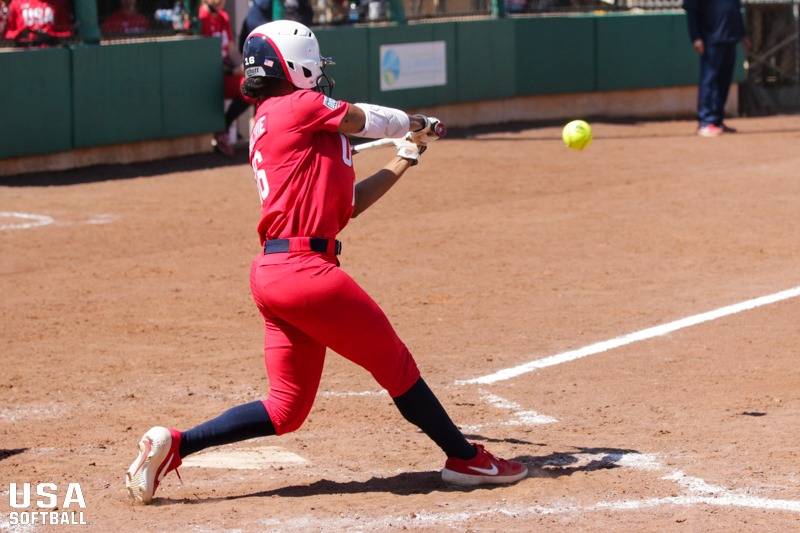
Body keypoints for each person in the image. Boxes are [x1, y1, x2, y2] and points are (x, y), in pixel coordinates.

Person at [126, 20, 528, 505]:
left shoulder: (284, 122)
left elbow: (345, 208)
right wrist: (414, 121)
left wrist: (406, 157)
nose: (320, 74)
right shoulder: (296, 106)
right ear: (295, 65)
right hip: (307, 274)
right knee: (396, 366)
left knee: (286, 409)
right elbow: (363, 119)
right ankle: (466, 458)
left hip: (276, 274)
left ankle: (176, 444)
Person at [683, 0, 749, 137]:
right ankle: (705, 122)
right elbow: (692, 13)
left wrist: (743, 34)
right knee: (709, 80)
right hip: (711, 40)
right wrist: (696, 38)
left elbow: (735, 10)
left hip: (730, 38)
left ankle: (717, 120)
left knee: (724, 81)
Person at [199, 0, 253, 157]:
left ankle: (223, 127)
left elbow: (231, 50)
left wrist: (244, 67)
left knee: (252, 87)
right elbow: (203, 59)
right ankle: (222, 130)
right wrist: (232, 71)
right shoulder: (200, 19)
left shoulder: (223, 17)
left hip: (226, 73)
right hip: (208, 75)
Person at [4, 0, 72, 47]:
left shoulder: (59, 3)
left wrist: (50, 36)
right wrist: (20, 33)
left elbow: (68, 33)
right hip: (24, 52)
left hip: (51, 51)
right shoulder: (17, 3)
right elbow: (7, 34)